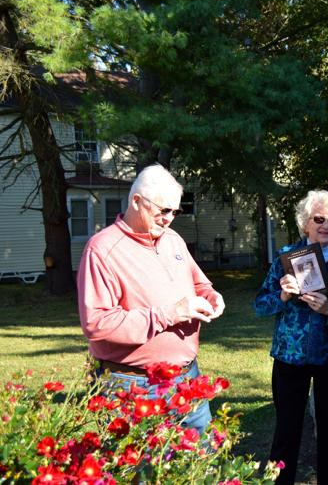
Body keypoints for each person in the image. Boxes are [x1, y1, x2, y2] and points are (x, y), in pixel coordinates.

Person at [78, 163, 225, 434]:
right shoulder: (101, 250)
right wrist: (171, 313)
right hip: (131, 384)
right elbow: (97, 323)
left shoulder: (173, 240)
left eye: (175, 211)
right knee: (138, 471)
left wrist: (211, 296)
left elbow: (199, 282)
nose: (169, 218)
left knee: (201, 462)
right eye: (163, 210)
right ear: (136, 201)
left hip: (186, 376)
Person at [254, 190, 328, 485]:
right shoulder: (285, 259)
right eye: (319, 219)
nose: (326, 225)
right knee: (286, 431)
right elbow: (260, 305)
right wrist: (282, 295)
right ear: (305, 223)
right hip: (290, 356)